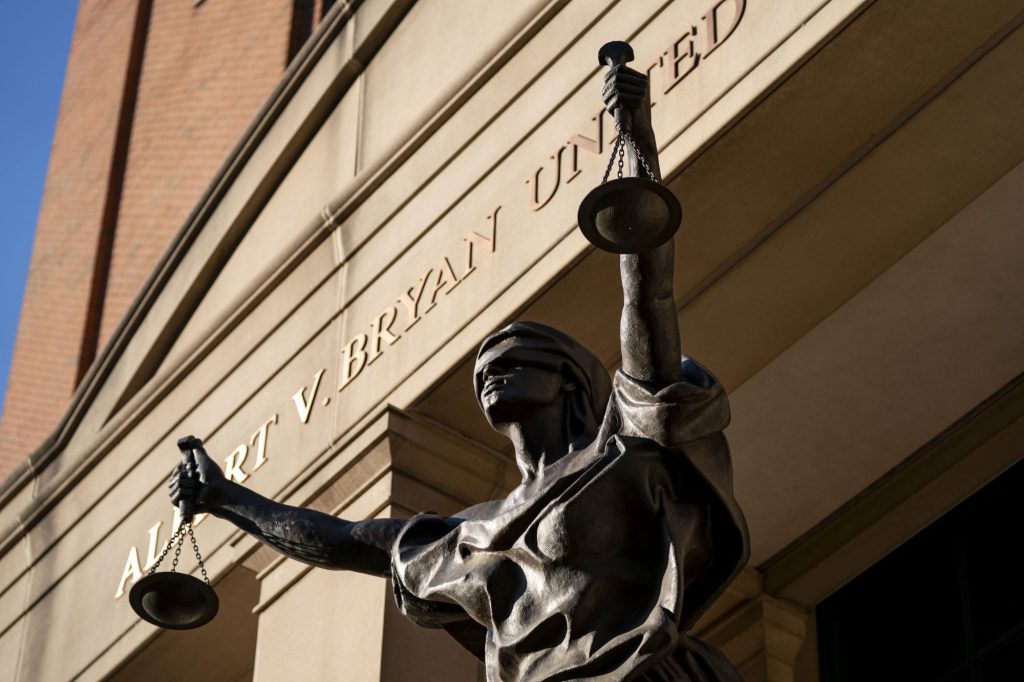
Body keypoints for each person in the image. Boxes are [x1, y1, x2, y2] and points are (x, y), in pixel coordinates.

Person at [169, 62, 749, 682]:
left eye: (514, 363)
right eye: (483, 374)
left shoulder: (624, 453)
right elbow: (339, 540)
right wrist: (226, 499)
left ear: (569, 380)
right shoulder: (471, 533)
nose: (491, 378)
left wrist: (635, 136)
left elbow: (648, 300)